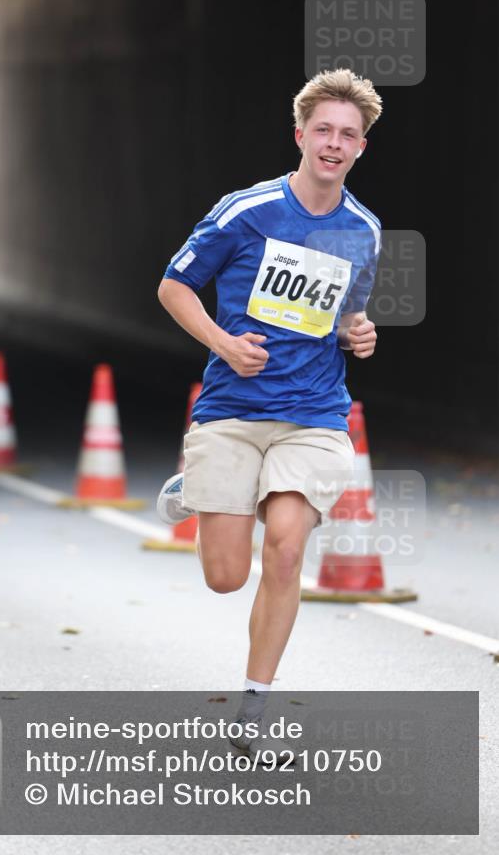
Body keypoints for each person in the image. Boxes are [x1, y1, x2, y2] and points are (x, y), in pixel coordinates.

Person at [156, 69, 382, 761]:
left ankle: (253, 708)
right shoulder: (245, 211)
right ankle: (198, 485)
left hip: (313, 413)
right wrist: (223, 342)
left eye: (348, 135)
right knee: (225, 575)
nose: (334, 144)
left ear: (360, 148)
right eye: (324, 130)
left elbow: (348, 314)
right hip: (231, 407)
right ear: (300, 135)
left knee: (284, 545)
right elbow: (173, 286)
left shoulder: (363, 231)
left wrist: (359, 333)